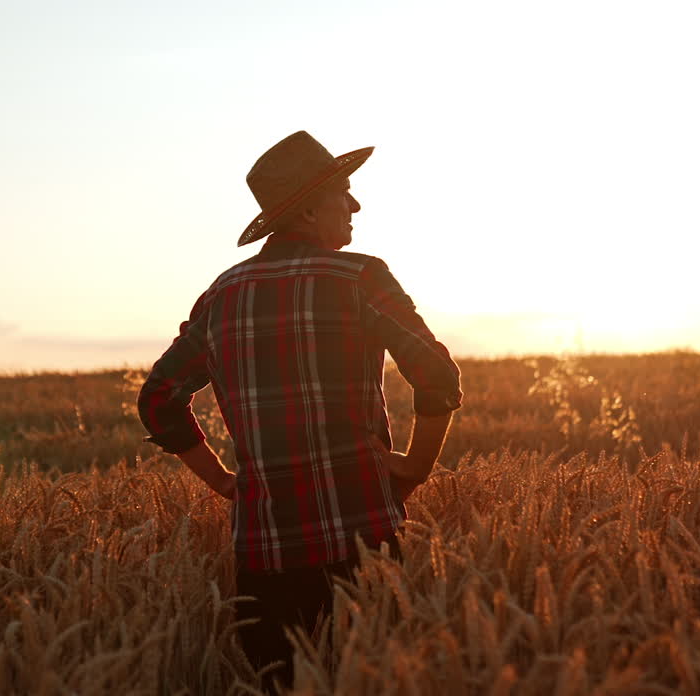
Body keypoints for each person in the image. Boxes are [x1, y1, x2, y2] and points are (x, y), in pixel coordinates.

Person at [138, 130, 461, 691]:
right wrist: (417, 465)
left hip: (263, 561)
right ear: (310, 210)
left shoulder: (221, 295)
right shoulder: (362, 277)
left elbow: (158, 400)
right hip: (362, 544)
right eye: (346, 192)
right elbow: (435, 373)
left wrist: (225, 483)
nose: (356, 205)